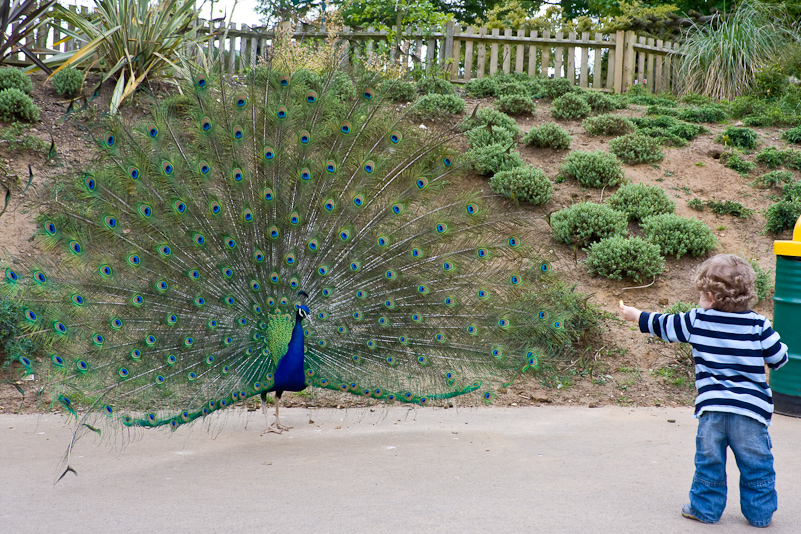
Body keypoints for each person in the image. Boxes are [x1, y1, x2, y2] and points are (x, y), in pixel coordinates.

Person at [619, 254, 788, 527]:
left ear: (710, 296)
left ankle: (705, 509)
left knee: (709, 463)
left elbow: (664, 325)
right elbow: (779, 358)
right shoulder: (759, 325)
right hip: (751, 413)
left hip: (712, 411)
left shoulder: (697, 320)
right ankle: (760, 514)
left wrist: (636, 315)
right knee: (757, 465)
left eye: (700, 295)